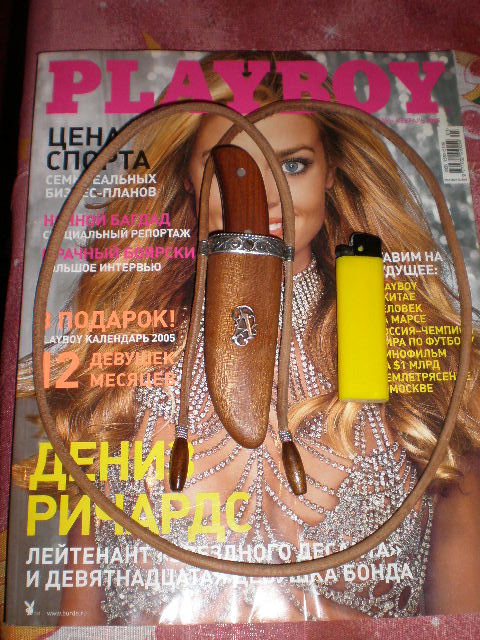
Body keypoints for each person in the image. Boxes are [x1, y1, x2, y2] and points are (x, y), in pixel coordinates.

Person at [15, 52, 480, 624]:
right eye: (229, 167)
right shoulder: (116, 373)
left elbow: (462, 628)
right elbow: (79, 632)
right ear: (187, 178)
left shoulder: (428, 376)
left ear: (332, 173)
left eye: (292, 165)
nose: (261, 196)